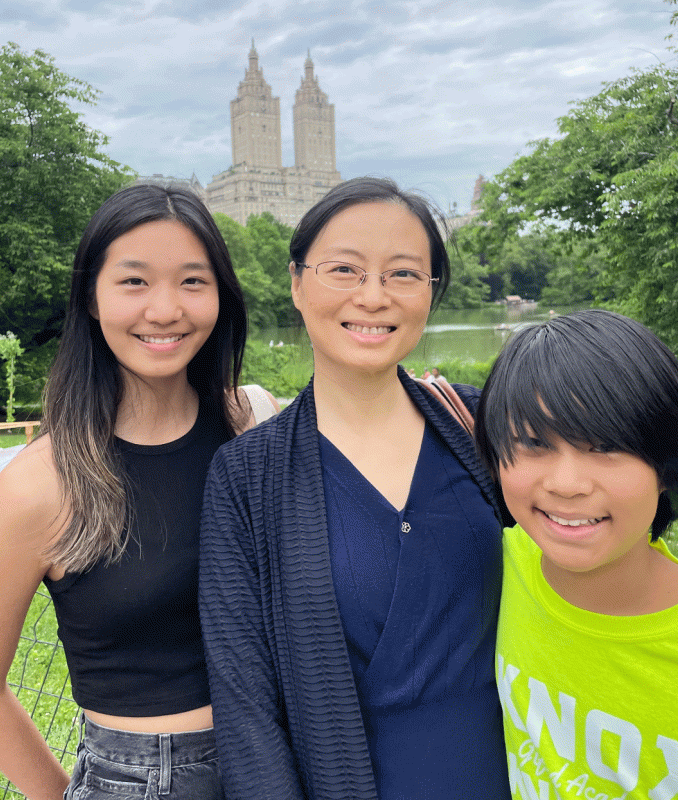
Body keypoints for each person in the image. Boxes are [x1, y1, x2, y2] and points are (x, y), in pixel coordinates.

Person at [198, 177, 512, 799]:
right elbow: (247, 712)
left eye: (403, 274)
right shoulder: (245, 477)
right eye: (344, 269)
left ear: (431, 291)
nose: (374, 297)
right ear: (295, 282)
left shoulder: (484, 431)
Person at [0, 183, 277, 800]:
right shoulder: (41, 485)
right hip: (144, 780)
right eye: (134, 281)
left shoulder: (253, 422)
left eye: (193, 281)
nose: (165, 310)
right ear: (91, 296)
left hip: (277, 760)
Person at [473, 310, 678, 799]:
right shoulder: (499, 564)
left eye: (606, 446)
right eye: (533, 443)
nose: (567, 485)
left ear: (667, 465)